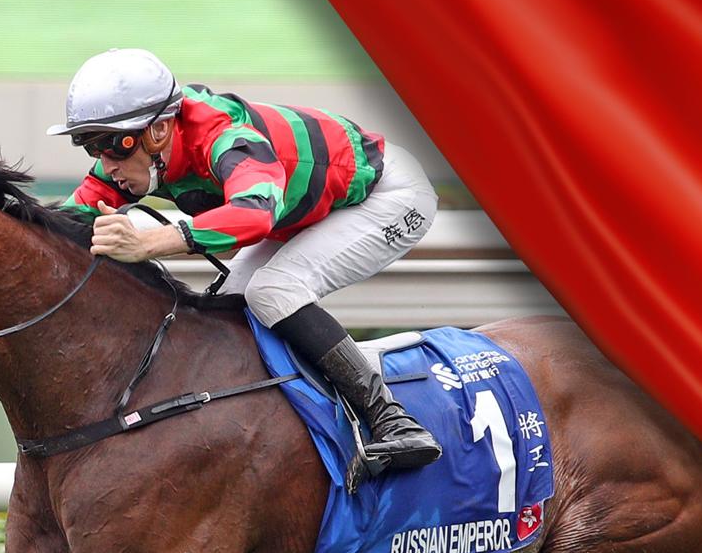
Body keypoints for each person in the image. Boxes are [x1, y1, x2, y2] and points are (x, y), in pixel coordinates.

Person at [49, 47, 442, 473]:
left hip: (386, 195)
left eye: (113, 146)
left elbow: (255, 214)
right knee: (227, 306)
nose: (106, 165)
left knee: (272, 291)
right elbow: (63, 222)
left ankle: (392, 419)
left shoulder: (227, 138)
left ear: (159, 130)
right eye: (92, 148)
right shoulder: (140, 156)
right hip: (307, 210)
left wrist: (148, 243)